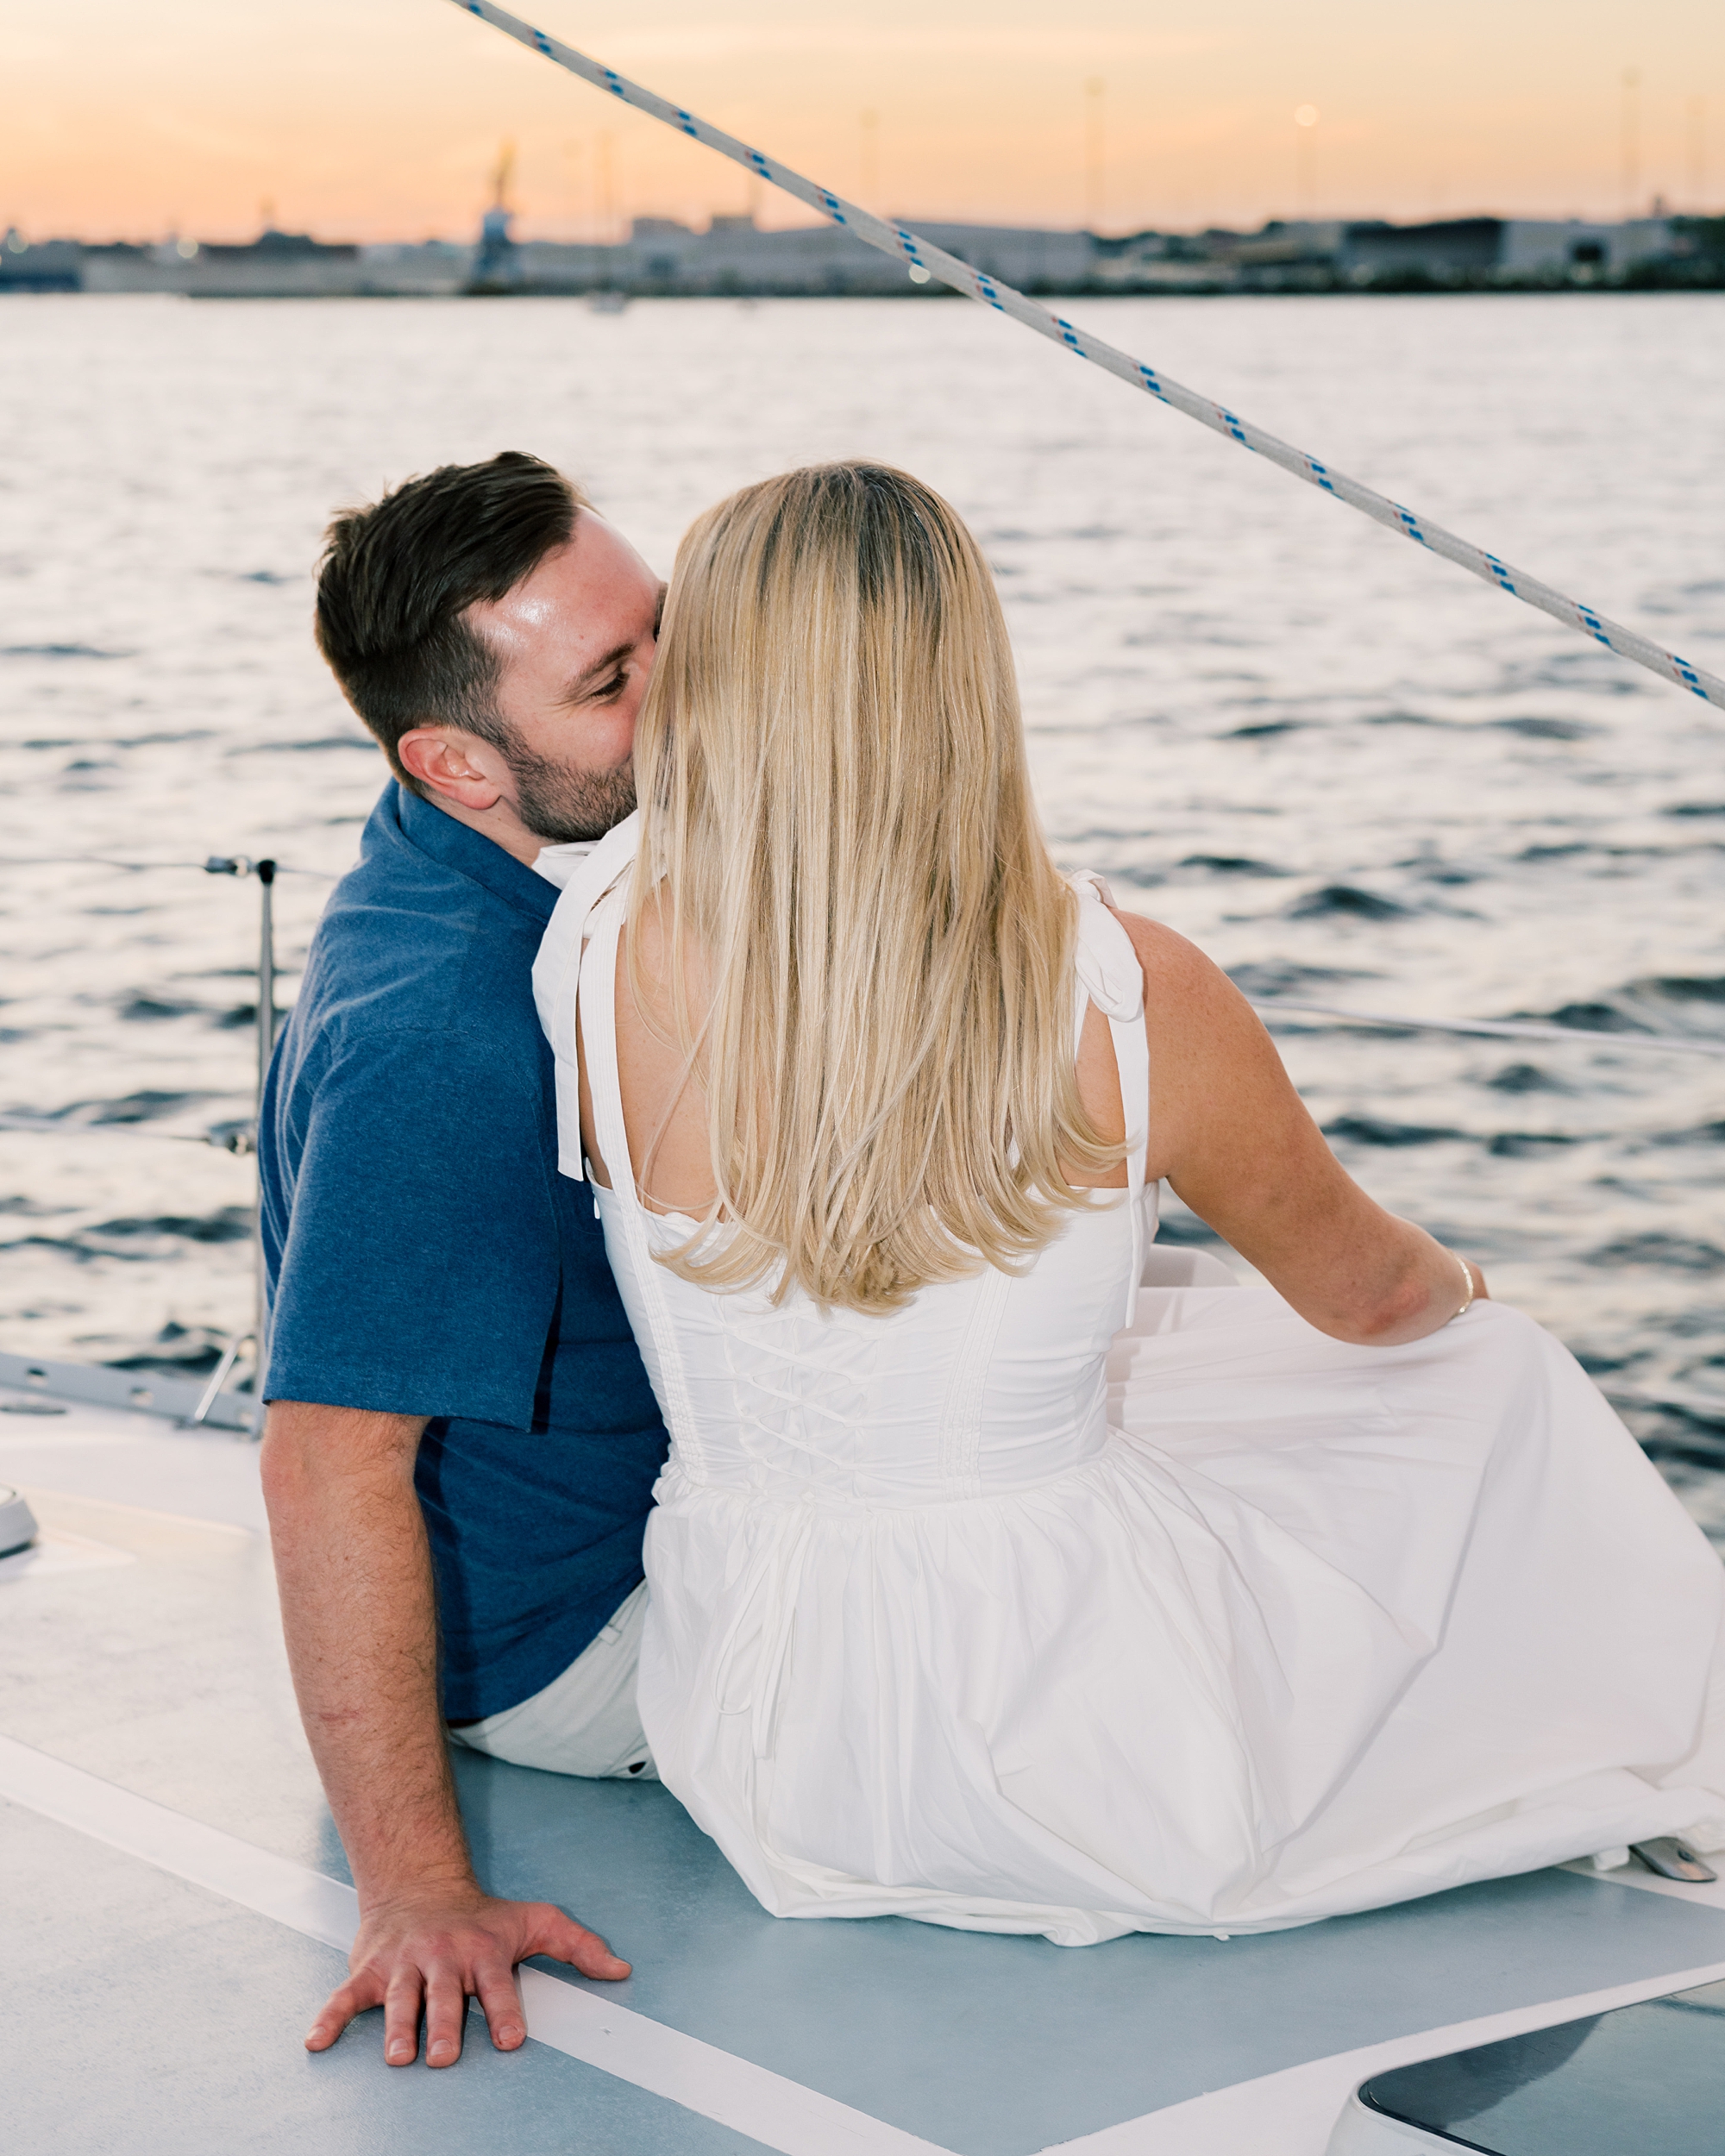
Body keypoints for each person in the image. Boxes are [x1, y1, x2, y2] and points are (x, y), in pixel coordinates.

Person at [536, 460, 1725, 1943]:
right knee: (1492, 1367)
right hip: (1067, 1745)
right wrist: (1470, 1289)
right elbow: (1371, 1299)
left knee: (1191, 1354)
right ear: (962, 680)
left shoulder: (583, 942)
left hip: (756, 1710)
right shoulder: (1120, 987)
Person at [259, 451, 665, 2069]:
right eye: (616, 682)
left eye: (664, 633)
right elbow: (327, 1466)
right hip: (573, 1642)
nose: (684, 693)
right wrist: (416, 1891)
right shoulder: (450, 1031)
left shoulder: (468, 852)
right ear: (457, 759)